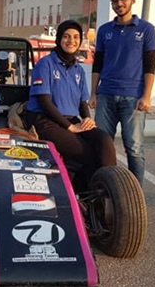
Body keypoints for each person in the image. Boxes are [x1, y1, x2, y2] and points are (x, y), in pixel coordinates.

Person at [25, 20, 116, 186]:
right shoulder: (45, 64)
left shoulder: (78, 69)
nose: (71, 41)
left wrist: (87, 119)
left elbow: (82, 101)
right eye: (66, 36)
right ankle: (85, 191)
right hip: (45, 120)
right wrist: (70, 127)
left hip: (70, 119)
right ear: (59, 39)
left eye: (75, 37)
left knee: (104, 141)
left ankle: (111, 188)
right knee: (87, 152)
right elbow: (44, 102)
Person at [88, 0, 155, 185]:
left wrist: (146, 95)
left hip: (133, 98)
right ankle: (104, 190)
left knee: (134, 149)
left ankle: (135, 193)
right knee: (102, 145)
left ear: (132, 0)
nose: (119, 3)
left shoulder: (146, 29)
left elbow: (150, 64)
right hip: (106, 95)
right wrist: (93, 94)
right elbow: (97, 64)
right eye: (115, 0)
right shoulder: (104, 30)